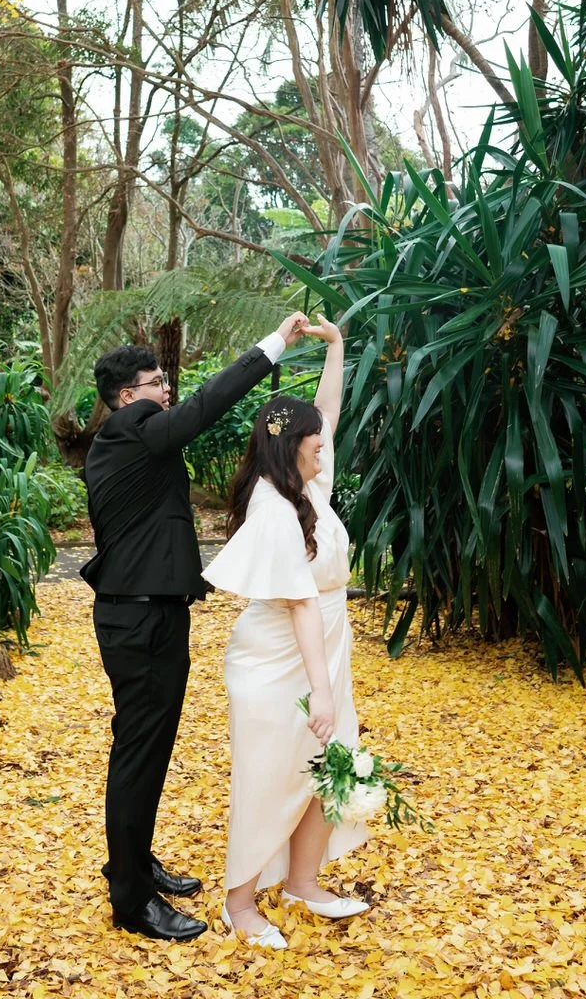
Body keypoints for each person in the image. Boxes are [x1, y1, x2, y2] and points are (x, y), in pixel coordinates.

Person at [81, 311, 308, 941]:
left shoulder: (130, 440)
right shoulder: (133, 427)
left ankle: (135, 860)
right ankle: (129, 900)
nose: (167, 391)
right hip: (141, 618)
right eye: (157, 382)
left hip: (147, 612)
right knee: (137, 755)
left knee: (145, 751)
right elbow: (205, 406)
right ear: (128, 397)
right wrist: (272, 346)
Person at [201, 314, 369, 950]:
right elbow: (298, 604)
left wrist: (336, 346)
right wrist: (320, 692)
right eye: (314, 437)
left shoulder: (307, 486)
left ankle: (303, 880)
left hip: (324, 645)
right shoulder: (273, 508)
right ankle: (238, 901)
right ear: (290, 443)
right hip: (279, 659)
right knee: (272, 772)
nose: (324, 439)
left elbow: (328, 409)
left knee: (328, 765)